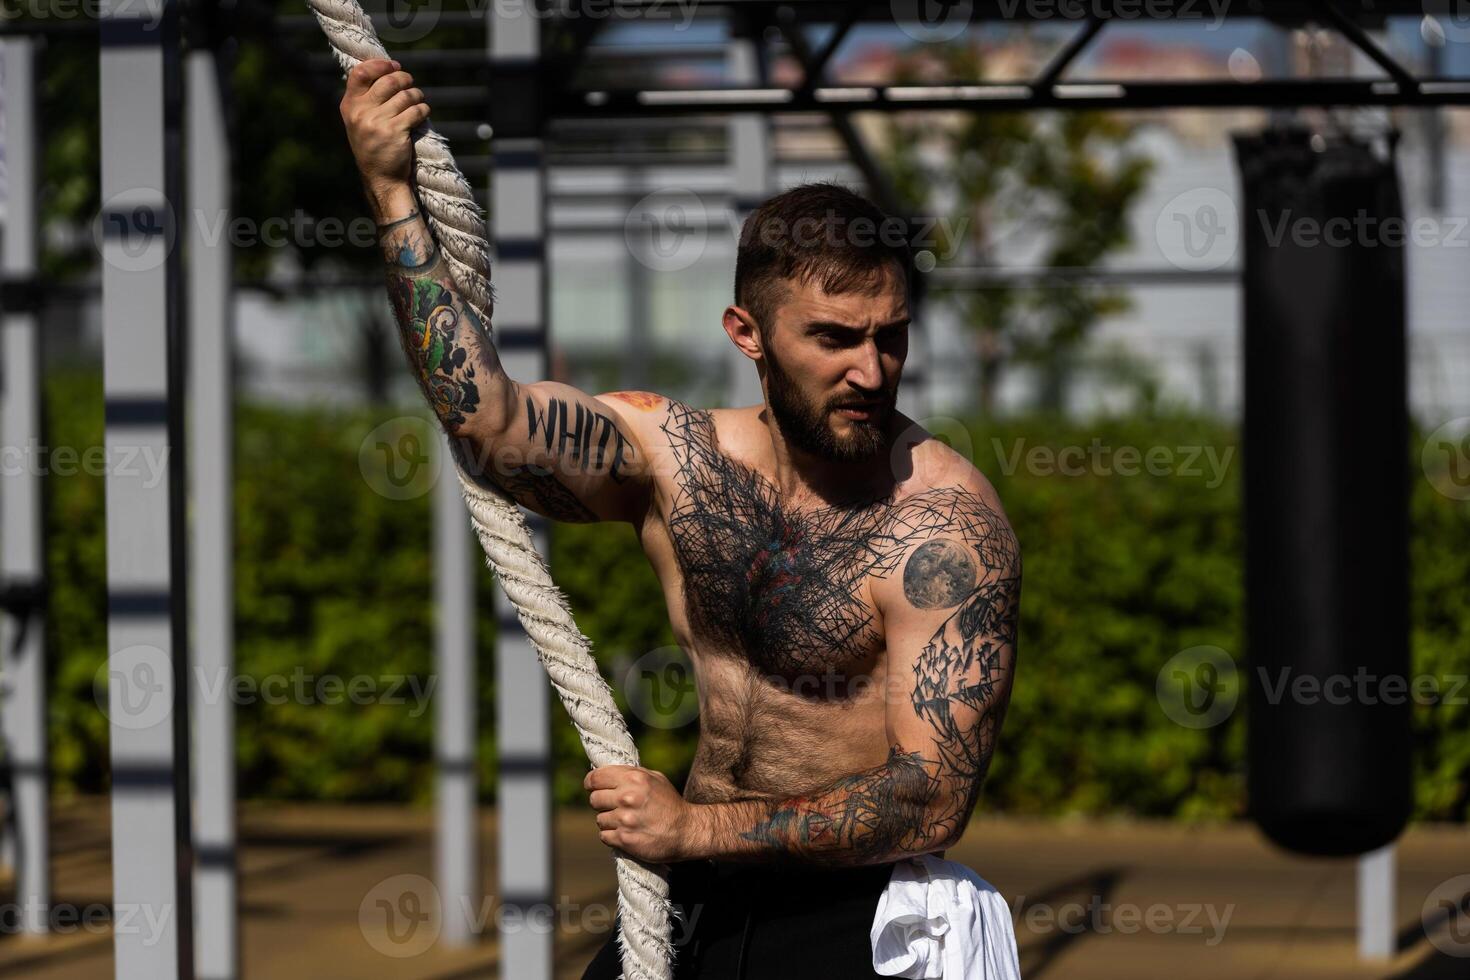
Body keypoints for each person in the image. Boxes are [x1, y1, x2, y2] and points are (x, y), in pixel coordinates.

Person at [339, 59, 1021, 979]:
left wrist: (690, 826)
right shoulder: (676, 458)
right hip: (689, 906)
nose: (871, 370)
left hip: (845, 919)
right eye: (833, 338)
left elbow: (932, 800)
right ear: (747, 333)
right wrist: (389, 191)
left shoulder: (944, 527)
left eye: (889, 336)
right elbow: (488, 422)